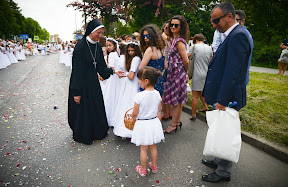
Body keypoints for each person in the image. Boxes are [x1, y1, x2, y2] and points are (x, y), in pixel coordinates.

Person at [201, 2, 251, 182]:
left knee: (225, 134)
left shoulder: (238, 36)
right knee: (220, 130)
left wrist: (223, 99)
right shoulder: (232, 34)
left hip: (228, 98)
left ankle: (223, 172)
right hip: (223, 94)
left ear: (229, 16)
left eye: (216, 21)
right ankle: (218, 160)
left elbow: (233, 73)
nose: (214, 25)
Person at [68, 19, 125, 145]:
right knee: (84, 109)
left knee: (96, 107)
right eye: (98, 33)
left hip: (93, 83)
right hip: (81, 83)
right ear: (90, 31)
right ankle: (85, 135)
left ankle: (97, 132)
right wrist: (76, 92)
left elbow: (101, 67)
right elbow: (76, 71)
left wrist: (114, 72)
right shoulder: (81, 46)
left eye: (102, 33)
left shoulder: (97, 47)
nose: (100, 36)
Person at [131, 66, 165, 177]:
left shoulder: (139, 96)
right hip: (153, 122)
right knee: (153, 147)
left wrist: (132, 117)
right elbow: (159, 109)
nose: (138, 81)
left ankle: (143, 169)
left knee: (143, 149)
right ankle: (154, 166)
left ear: (146, 81)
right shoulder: (157, 94)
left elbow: (135, 112)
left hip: (143, 124)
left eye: (139, 79)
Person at [163, 15, 189, 133]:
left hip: (177, 72)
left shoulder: (179, 41)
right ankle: (177, 121)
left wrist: (184, 72)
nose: (173, 27)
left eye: (176, 25)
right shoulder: (173, 39)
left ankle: (173, 125)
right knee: (177, 99)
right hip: (173, 72)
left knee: (176, 101)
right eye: (171, 25)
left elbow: (186, 60)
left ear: (181, 27)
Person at [112, 42, 142, 137]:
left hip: (132, 84)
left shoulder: (136, 59)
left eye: (132, 50)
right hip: (130, 84)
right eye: (128, 50)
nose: (130, 52)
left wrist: (125, 73)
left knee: (129, 104)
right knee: (127, 103)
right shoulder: (134, 59)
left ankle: (130, 128)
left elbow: (131, 76)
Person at [187, 33, 212, 120]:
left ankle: (193, 114)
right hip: (206, 73)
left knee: (195, 96)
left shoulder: (194, 47)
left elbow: (187, 56)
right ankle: (205, 106)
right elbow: (211, 60)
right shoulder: (209, 48)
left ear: (196, 40)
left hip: (197, 73)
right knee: (201, 92)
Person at [139, 24, 166, 97]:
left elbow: (141, 68)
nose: (145, 38)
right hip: (159, 81)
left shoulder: (150, 49)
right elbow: (165, 66)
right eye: (143, 36)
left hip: (149, 82)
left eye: (147, 36)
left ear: (153, 36)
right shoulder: (162, 49)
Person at [235, 10, 254, 85]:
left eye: (235, 20)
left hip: (238, 79)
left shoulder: (242, 35)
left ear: (242, 21)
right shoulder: (240, 33)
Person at [161, 21, 173, 120]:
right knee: (164, 90)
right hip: (165, 66)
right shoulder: (162, 37)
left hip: (172, 66)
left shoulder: (173, 39)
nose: (168, 29)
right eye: (167, 27)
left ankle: (169, 111)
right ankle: (165, 112)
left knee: (170, 90)